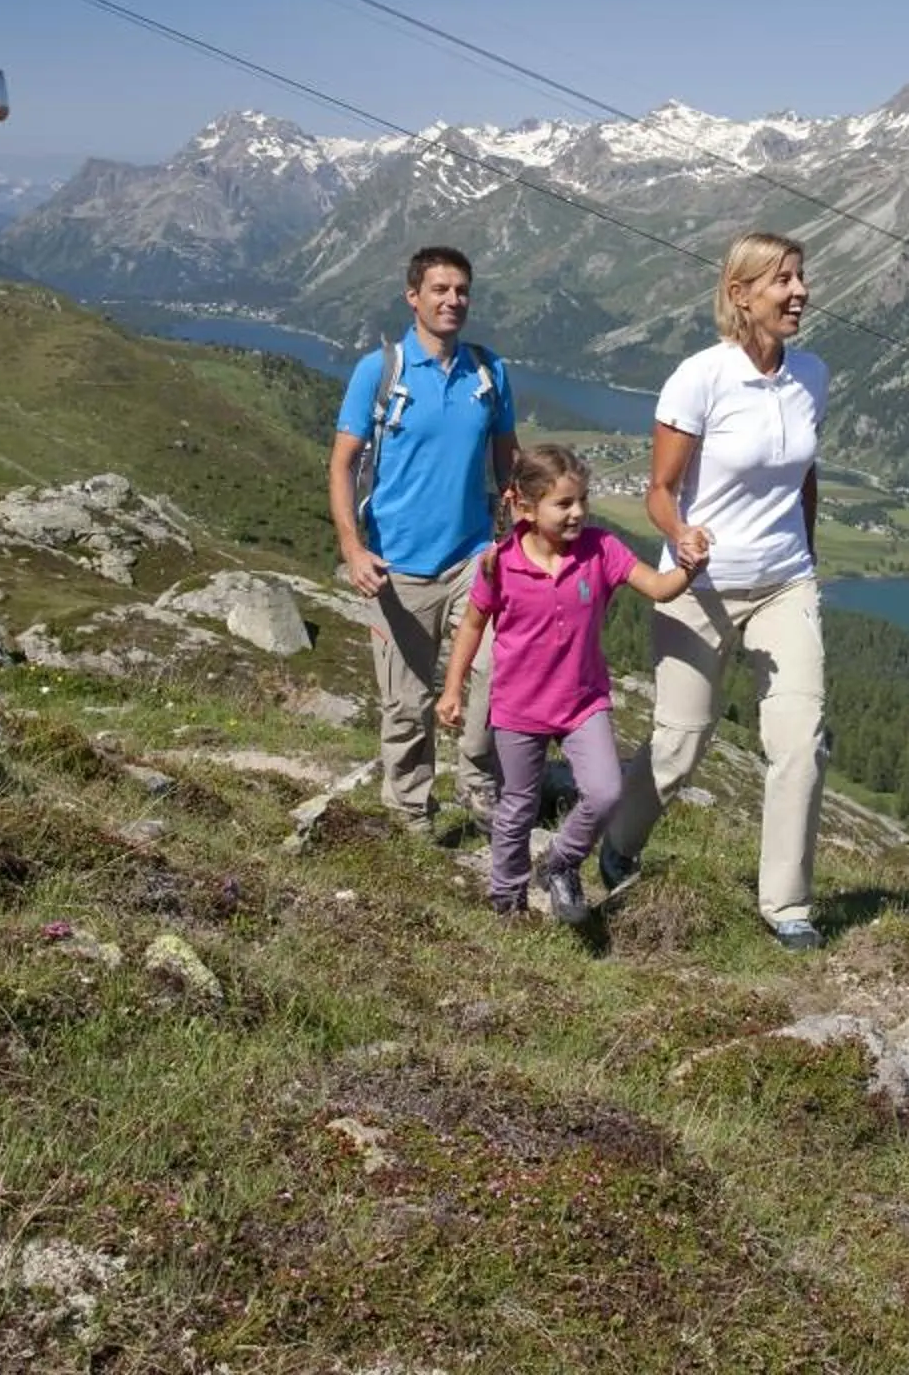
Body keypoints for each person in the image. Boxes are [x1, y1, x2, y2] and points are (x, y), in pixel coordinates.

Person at [603, 231, 833, 951]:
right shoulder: (699, 378)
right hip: (699, 585)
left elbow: (805, 475)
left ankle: (786, 903)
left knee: (801, 740)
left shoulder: (814, 375)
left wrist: (809, 552)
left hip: (784, 583)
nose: (799, 291)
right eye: (782, 281)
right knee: (680, 743)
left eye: (800, 278)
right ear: (741, 295)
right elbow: (660, 492)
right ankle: (618, 844)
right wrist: (685, 534)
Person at [436, 444, 706, 922]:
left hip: (584, 703)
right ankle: (507, 903)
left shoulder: (601, 549)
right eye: (563, 504)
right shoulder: (499, 563)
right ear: (525, 506)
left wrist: (688, 568)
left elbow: (659, 589)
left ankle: (561, 863)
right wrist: (453, 688)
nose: (577, 512)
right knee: (517, 807)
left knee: (605, 792)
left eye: (582, 500)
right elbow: (473, 626)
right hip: (518, 707)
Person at [329, 245, 520, 834]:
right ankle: (412, 813)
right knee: (407, 704)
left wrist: (514, 536)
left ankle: (478, 785)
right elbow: (341, 465)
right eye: (439, 289)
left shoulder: (489, 373)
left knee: (495, 675)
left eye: (461, 290)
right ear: (413, 296)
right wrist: (353, 549)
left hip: (472, 559)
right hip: (398, 567)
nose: (452, 301)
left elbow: (508, 461)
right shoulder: (379, 372)